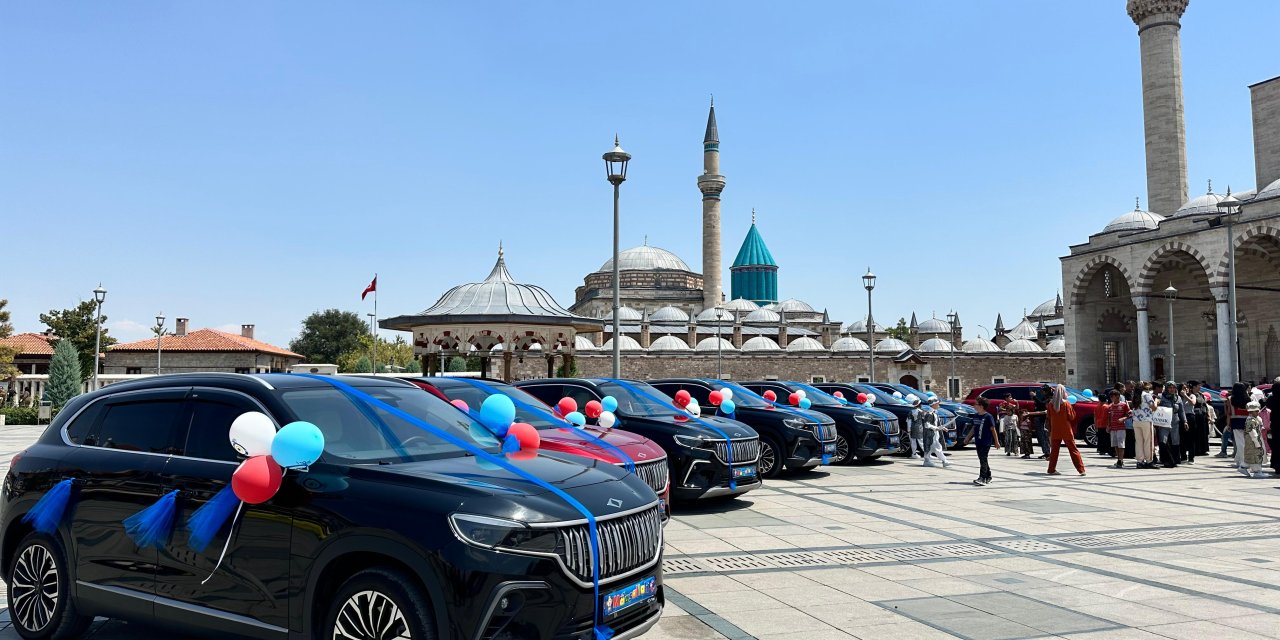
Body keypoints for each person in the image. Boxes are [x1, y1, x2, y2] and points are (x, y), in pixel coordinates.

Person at [1046, 384, 1086, 476]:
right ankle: (1081, 469)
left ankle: (1051, 469)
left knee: (1054, 451)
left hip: (1055, 430)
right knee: (1073, 450)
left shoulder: (1050, 404)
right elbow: (1072, 417)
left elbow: (1048, 417)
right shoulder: (1066, 403)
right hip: (1066, 430)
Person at [969, 397, 1000, 485]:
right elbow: (974, 428)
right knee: (983, 459)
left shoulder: (988, 417)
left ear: (981, 406)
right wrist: (968, 438)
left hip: (986, 441)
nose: (974, 405)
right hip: (978, 441)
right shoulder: (976, 416)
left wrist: (996, 442)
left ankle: (982, 477)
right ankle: (988, 476)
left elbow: (993, 429)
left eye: (976, 404)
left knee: (983, 459)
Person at [1157, 382, 1184, 468]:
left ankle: (1175, 459)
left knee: (1175, 441)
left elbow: (1181, 411)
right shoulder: (1161, 397)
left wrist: (1185, 421)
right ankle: (1165, 459)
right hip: (1164, 422)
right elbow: (1157, 409)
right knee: (1163, 440)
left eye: (1173, 388)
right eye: (1170, 388)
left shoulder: (1178, 398)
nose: (1172, 389)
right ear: (1167, 388)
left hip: (1175, 421)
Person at [1132, 382, 1157, 469]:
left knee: (1139, 442)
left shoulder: (1135, 395)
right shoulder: (1146, 395)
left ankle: (1140, 461)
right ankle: (1149, 461)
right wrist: (1156, 401)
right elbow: (1153, 407)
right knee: (1148, 441)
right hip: (1146, 420)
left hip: (1136, 421)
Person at [1104, 389, 1131, 468]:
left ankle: (1121, 459)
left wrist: (1123, 418)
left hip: (1121, 428)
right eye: (1111, 396)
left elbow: (1129, 414)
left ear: (1118, 396)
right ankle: (1118, 459)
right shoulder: (1110, 406)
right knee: (1115, 444)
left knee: (1121, 444)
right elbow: (1109, 417)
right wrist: (1108, 426)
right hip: (1113, 428)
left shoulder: (1123, 405)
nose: (1112, 398)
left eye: (1113, 396)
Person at [1228, 382, 1250, 470]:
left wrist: (1228, 424)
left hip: (1236, 420)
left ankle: (1243, 461)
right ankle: (1238, 460)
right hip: (1247, 420)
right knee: (1245, 441)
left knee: (1240, 442)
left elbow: (1229, 413)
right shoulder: (1248, 398)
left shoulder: (1230, 399)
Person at [922, 398, 950, 468]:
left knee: (931, 447)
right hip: (931, 434)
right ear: (934, 404)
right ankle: (944, 460)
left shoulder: (934, 413)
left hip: (934, 433)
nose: (938, 405)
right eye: (937, 403)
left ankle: (927, 460)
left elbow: (935, 423)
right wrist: (936, 428)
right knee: (937, 447)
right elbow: (927, 424)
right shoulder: (929, 414)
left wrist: (942, 428)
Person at [1242, 401, 1266, 477]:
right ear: (1251, 411)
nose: (1258, 412)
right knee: (1256, 455)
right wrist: (1257, 442)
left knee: (1251, 455)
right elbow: (1252, 432)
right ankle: (1257, 471)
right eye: (1256, 411)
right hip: (1253, 441)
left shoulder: (1254, 419)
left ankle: (1243, 467)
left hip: (1253, 441)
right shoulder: (1251, 421)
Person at [1030, 385, 1052, 460]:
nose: (1042, 392)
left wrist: (1035, 397)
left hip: (1043, 419)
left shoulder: (1049, 398)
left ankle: (1048, 452)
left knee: (1044, 436)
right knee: (1040, 437)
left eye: (1043, 391)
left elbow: (1042, 405)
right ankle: (1045, 452)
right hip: (1038, 418)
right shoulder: (1044, 397)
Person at [1268, 378, 1280, 476]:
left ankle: (1276, 465)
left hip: (1276, 424)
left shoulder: (1272, 398)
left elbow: (1268, 406)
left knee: (1276, 445)